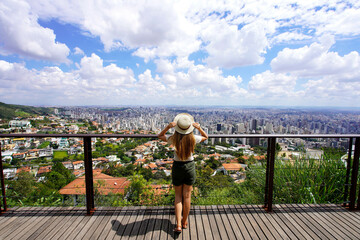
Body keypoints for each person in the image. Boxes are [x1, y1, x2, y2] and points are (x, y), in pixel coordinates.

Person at [158, 113, 208, 233]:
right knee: (187, 196)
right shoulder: (193, 138)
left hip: (177, 166)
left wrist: (168, 127)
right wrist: (199, 128)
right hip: (190, 167)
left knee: (178, 197)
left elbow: (160, 136)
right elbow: (206, 137)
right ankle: (185, 221)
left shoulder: (173, 138)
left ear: (177, 127)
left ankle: (179, 225)